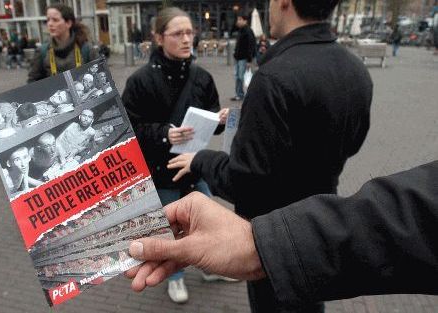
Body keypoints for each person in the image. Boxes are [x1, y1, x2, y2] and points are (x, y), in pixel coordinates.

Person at [167, 0, 372, 312]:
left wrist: (200, 160)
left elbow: (245, 179)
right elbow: (354, 143)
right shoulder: (356, 70)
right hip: (321, 220)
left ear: (284, 2)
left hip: (274, 235)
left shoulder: (274, 77)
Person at [126, 160, 438, 308]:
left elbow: (245, 171)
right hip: (307, 218)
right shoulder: (354, 69)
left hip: (283, 231)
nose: (185, 38)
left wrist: (259, 243)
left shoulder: (271, 77)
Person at [121, 7, 230, 304]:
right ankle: (176, 277)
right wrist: (164, 133)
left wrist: (219, 121)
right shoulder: (140, 81)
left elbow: (214, 128)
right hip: (162, 170)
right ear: (159, 38)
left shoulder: (203, 77)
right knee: (171, 231)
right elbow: (128, 131)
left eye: (190, 33)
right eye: (178, 34)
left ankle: (210, 266)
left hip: (194, 167)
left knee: (207, 224)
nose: (186, 40)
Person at [28, 3, 98, 82]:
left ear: (68, 23)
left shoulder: (86, 49)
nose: (50, 24)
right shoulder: (42, 52)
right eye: (48, 20)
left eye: (55, 20)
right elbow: (32, 83)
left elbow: (99, 77)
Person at [231, 12, 256, 101]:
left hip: (244, 58)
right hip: (238, 58)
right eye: (238, 19)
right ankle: (239, 94)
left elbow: (251, 46)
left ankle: (245, 94)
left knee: (242, 77)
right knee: (238, 76)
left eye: (240, 19)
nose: (238, 21)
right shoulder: (241, 30)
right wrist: (235, 55)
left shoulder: (248, 31)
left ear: (245, 21)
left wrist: (249, 60)